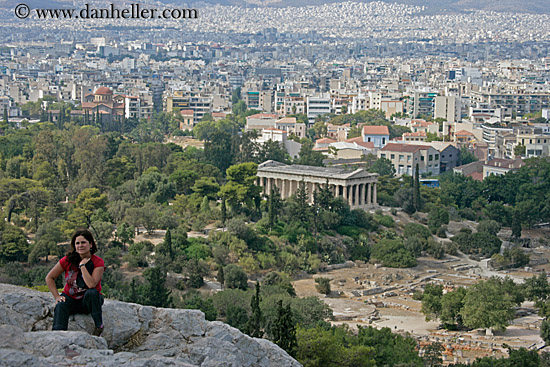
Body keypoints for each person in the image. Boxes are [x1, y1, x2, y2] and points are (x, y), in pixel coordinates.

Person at [46, 229, 106, 336]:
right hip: (71, 298)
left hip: (88, 302)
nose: (80, 246)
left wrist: (82, 266)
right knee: (60, 305)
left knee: (92, 293)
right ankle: (58, 335)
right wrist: (56, 296)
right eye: (77, 243)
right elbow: (50, 278)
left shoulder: (98, 261)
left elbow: (91, 285)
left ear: (90, 244)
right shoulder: (67, 260)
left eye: (83, 242)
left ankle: (98, 326)